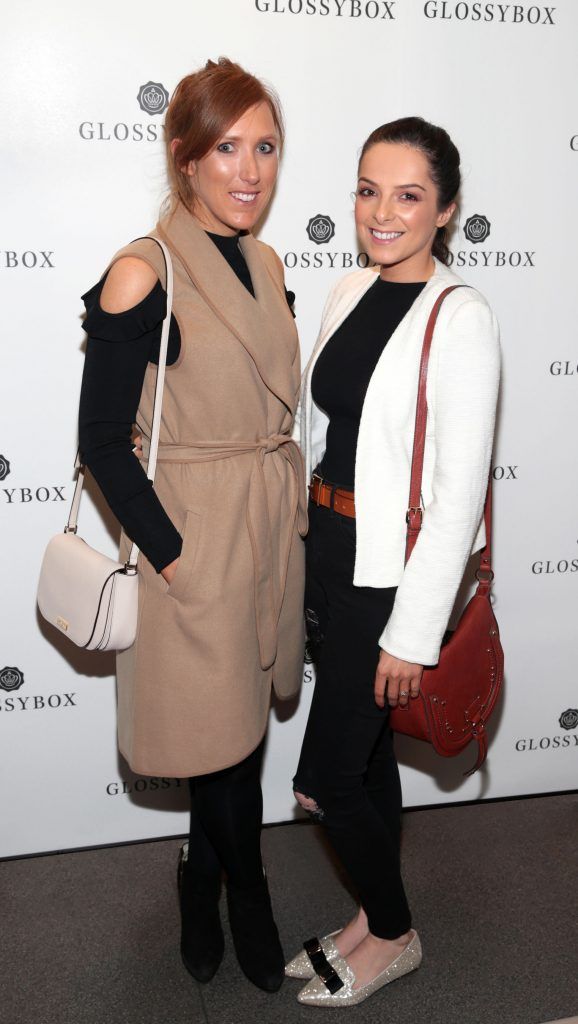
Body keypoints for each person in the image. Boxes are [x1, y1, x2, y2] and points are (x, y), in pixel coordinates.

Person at [78, 58, 307, 993]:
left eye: (265, 147)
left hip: (265, 530)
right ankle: (241, 886)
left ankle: (202, 870)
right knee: (215, 744)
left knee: (241, 734)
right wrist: (170, 556)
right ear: (183, 157)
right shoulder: (142, 270)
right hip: (192, 537)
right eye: (226, 149)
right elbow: (100, 441)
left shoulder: (267, 260)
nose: (248, 171)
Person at [286, 117, 501, 1007]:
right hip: (328, 548)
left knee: (327, 777)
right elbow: (323, 434)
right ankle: (368, 921)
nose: (382, 212)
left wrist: (411, 633)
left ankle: (397, 929)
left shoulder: (462, 318)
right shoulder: (347, 289)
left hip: (390, 575)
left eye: (408, 195)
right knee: (366, 761)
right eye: (368, 190)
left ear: (445, 209)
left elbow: (457, 496)